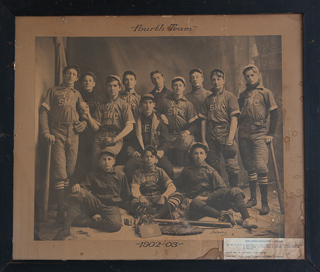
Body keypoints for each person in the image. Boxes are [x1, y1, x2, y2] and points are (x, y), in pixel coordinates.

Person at [39, 64, 87, 222]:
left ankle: (63, 204)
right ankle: (60, 211)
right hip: (57, 131)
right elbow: (44, 112)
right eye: (68, 73)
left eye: (74, 74)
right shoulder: (53, 91)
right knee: (60, 171)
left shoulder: (77, 94)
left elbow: (85, 113)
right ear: (63, 75)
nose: (71, 76)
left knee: (69, 169)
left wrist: (84, 123)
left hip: (73, 133)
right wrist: (46, 132)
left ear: (77, 78)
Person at [53, 149, 131, 240]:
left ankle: (88, 221)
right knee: (78, 193)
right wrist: (78, 186)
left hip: (111, 206)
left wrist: (127, 213)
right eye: (104, 159)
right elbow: (84, 189)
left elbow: (126, 196)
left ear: (114, 161)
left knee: (115, 225)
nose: (106, 162)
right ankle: (65, 229)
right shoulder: (93, 174)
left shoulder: (120, 175)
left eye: (109, 159)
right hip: (95, 203)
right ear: (99, 162)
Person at [176, 143, 257, 229]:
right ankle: (224, 216)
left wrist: (207, 198)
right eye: (195, 153)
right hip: (196, 207)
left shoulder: (211, 170)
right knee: (196, 202)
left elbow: (223, 189)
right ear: (192, 155)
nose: (198, 156)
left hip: (211, 203)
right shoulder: (187, 171)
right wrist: (184, 200)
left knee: (235, 190)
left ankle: (247, 218)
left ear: (205, 155)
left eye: (201, 153)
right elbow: (178, 187)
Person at [238, 64, 278, 215]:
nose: (249, 78)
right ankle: (253, 198)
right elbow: (239, 116)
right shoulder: (242, 95)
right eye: (247, 76)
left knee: (261, 166)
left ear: (258, 75)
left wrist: (271, 133)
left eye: (252, 75)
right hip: (243, 132)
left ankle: (265, 203)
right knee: (249, 166)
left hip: (260, 132)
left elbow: (274, 114)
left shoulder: (266, 92)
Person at [83, 75, 135, 171]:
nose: (112, 88)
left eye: (115, 86)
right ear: (106, 88)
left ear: (119, 88)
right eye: (109, 86)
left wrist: (115, 138)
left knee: (106, 157)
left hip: (116, 137)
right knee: (95, 166)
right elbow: (95, 128)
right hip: (100, 136)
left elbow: (130, 126)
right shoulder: (101, 105)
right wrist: (88, 115)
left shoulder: (124, 105)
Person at [199, 69, 240, 188]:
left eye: (219, 79)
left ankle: (234, 193)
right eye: (213, 79)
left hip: (225, 132)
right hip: (211, 133)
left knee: (231, 164)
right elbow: (203, 120)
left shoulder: (230, 97)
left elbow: (234, 119)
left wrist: (230, 138)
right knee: (213, 164)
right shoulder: (208, 99)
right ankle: (220, 192)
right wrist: (203, 139)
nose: (216, 82)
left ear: (223, 80)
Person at [124, 94, 174, 183]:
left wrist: (158, 154)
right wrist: (132, 151)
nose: (148, 106)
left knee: (168, 168)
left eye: (150, 103)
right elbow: (127, 140)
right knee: (128, 168)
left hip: (155, 154)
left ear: (154, 104)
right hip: (140, 155)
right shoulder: (135, 121)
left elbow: (166, 141)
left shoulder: (159, 121)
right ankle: (132, 194)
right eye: (145, 103)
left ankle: (166, 192)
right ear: (141, 105)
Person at [131, 145, 183, 219]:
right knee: (134, 202)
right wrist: (140, 196)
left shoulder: (159, 171)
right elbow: (134, 188)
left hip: (158, 198)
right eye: (146, 156)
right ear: (142, 159)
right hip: (145, 199)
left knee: (178, 195)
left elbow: (171, 186)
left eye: (152, 156)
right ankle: (160, 214)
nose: (149, 159)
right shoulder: (138, 172)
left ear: (156, 160)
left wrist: (164, 197)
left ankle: (155, 215)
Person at [158, 76, 198, 165]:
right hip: (167, 134)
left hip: (181, 135)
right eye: (175, 85)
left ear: (184, 87)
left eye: (180, 85)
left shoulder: (188, 104)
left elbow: (194, 125)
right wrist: (161, 115)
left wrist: (188, 132)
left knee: (192, 146)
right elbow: (155, 112)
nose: (178, 87)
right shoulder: (164, 101)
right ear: (172, 87)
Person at [73, 71, 103, 182]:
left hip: (94, 132)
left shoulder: (99, 99)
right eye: (85, 80)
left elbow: (100, 118)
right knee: (80, 158)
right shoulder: (76, 96)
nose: (87, 83)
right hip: (79, 131)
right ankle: (78, 183)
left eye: (90, 81)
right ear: (81, 83)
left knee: (93, 159)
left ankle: (90, 184)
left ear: (94, 83)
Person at [186, 68, 211, 142]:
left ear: (202, 79)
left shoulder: (209, 95)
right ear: (190, 81)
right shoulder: (186, 97)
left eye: (197, 77)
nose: (195, 79)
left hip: (208, 130)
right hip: (192, 132)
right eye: (192, 78)